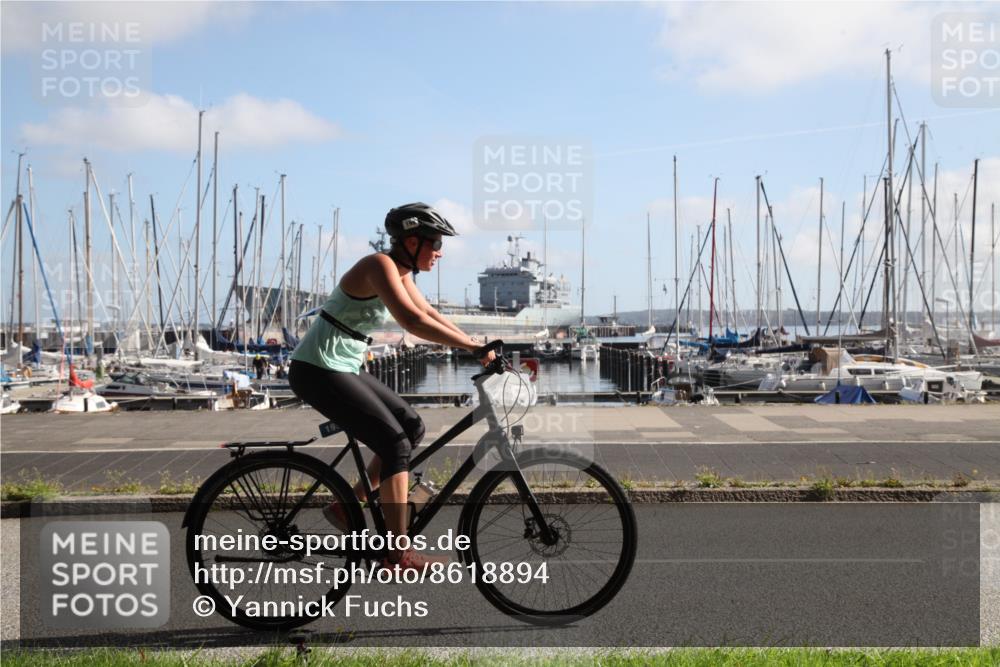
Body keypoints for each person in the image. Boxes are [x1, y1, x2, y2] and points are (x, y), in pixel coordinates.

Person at [288, 202, 494, 573]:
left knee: (411, 428)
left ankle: (346, 505)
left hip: (343, 366)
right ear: (412, 242)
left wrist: (477, 345)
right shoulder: (378, 265)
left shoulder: (401, 274)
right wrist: (471, 348)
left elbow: (431, 314)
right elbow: (412, 321)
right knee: (394, 443)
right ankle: (398, 554)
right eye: (435, 243)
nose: (440, 252)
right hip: (316, 368)